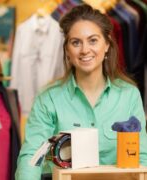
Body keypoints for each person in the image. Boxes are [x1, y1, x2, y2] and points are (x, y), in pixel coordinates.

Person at [15, 4, 147, 180]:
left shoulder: (129, 95)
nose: (85, 50)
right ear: (67, 50)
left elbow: (142, 157)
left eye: (93, 40)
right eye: (76, 42)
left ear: (107, 44)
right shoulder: (48, 98)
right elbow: (32, 158)